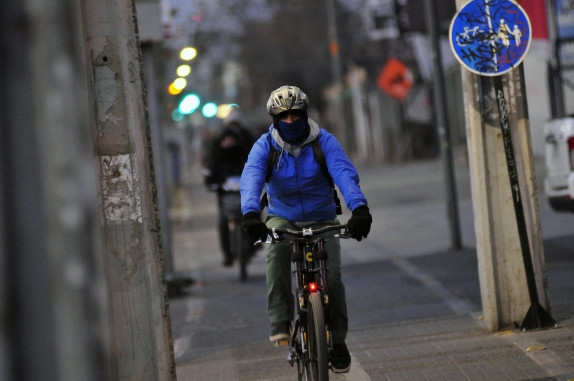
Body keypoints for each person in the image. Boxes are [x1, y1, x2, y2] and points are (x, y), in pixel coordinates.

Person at [240, 85, 372, 373]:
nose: (290, 121)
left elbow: (344, 174)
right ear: (274, 119)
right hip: (282, 217)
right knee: (275, 253)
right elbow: (251, 179)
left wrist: (359, 208)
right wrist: (251, 214)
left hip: (322, 218)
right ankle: (280, 319)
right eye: (283, 116)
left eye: (295, 115)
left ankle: (338, 341)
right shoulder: (265, 146)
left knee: (333, 278)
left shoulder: (323, 142)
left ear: (305, 114)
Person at [204, 120, 255, 267]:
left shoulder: (244, 155)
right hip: (225, 199)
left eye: (231, 140)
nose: (228, 143)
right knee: (222, 222)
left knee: (254, 216)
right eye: (226, 140)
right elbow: (210, 176)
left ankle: (253, 244)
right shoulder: (217, 158)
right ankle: (227, 254)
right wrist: (215, 184)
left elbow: (255, 171)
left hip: (245, 198)